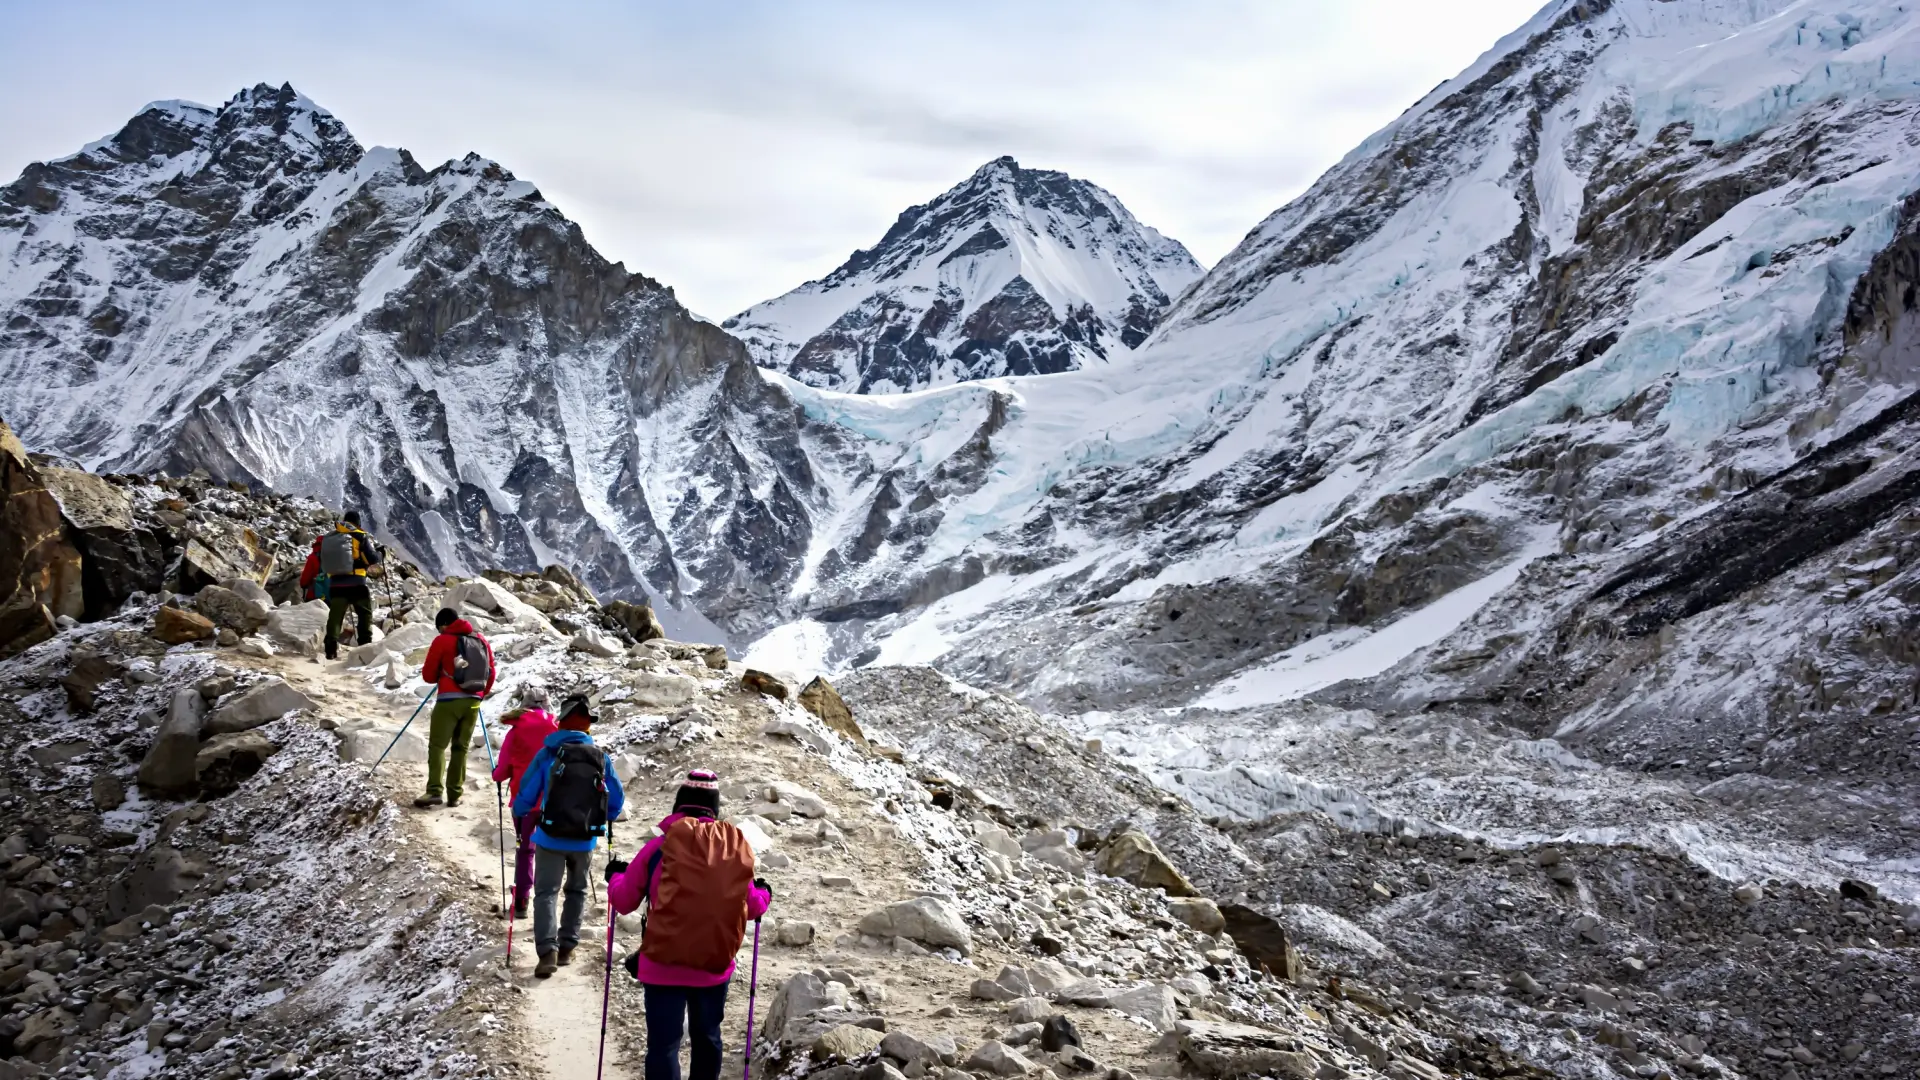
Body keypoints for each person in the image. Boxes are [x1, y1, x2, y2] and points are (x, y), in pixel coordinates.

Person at [606, 770, 771, 1080]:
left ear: (679, 805)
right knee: (707, 1039)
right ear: (715, 808)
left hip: (662, 964)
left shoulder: (659, 847)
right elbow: (751, 907)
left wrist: (614, 876)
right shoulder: (734, 850)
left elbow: (624, 900)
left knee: (664, 1046)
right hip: (713, 964)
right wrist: (764, 892)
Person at [511, 696, 625, 978]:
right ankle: (567, 947)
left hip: (550, 835)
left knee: (545, 893)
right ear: (587, 727)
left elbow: (527, 791)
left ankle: (546, 952)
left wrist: (522, 811)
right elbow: (616, 801)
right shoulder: (600, 757)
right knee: (577, 890)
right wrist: (605, 816)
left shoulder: (548, 753)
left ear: (560, 723)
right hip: (585, 838)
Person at [416, 607, 495, 809]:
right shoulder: (480, 640)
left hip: (449, 701)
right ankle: (455, 795)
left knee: (437, 746)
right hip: (473, 702)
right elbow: (491, 672)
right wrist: (479, 693)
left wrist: (445, 675)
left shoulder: (442, 640)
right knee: (461, 748)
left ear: (443, 625)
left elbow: (428, 676)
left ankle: (434, 791)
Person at [490, 684, 557, 919]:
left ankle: (521, 901)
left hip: (524, 801)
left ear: (525, 706)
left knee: (525, 850)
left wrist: (496, 773)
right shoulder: (557, 728)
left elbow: (502, 772)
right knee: (551, 850)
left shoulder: (516, 731)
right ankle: (547, 902)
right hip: (554, 801)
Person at [301, 509, 383, 660]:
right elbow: (371, 559)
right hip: (357, 583)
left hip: (336, 584)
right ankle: (365, 646)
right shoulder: (359, 536)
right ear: (358, 522)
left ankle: (330, 649)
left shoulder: (332, 536)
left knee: (335, 616)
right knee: (364, 614)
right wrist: (380, 554)